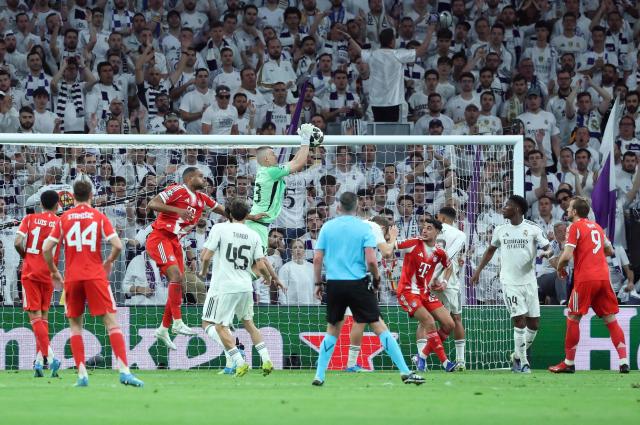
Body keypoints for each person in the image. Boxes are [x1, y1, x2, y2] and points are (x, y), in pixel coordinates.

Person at [312, 192, 423, 386]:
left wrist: (317, 283)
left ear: (338, 207)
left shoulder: (327, 227)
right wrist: (377, 278)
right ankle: (405, 372)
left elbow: (317, 259)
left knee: (332, 329)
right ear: (356, 208)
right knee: (378, 325)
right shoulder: (364, 228)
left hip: (335, 284)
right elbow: (372, 259)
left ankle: (319, 375)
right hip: (358, 283)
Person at [41, 180, 143, 387]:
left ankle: (82, 375)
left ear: (73, 196)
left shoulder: (64, 218)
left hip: (72, 277)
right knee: (111, 323)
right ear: (91, 196)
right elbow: (117, 245)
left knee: (76, 326)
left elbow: (45, 248)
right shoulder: (99, 216)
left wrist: (53, 271)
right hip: (95, 275)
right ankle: (124, 371)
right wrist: (109, 261)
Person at [147, 167, 226, 350]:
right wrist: (178, 211)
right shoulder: (178, 190)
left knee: (178, 282)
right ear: (190, 178)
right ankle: (177, 322)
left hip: (175, 242)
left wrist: (249, 217)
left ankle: (163, 328)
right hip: (160, 237)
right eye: (200, 176)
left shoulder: (201, 199)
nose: (204, 179)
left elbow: (224, 211)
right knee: (175, 277)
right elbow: (152, 203)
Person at [549, 197, 629, 374]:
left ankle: (569, 363)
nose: (567, 211)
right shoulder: (597, 227)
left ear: (575, 212)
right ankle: (623, 361)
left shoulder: (574, 227)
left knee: (573, 317)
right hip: (603, 277)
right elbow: (610, 251)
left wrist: (560, 267)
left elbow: (567, 255)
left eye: (569, 208)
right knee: (610, 319)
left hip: (585, 279)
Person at [471, 195, 551, 373]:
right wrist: (477, 271)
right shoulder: (500, 230)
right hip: (509, 282)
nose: (503, 207)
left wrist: (547, 253)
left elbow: (548, 247)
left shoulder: (532, 229)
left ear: (517, 209)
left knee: (534, 324)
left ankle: (516, 354)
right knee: (519, 320)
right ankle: (523, 362)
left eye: (507, 205)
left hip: (529, 282)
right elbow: (490, 251)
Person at [198, 198, 274, 377]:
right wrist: (268, 278)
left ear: (228, 214)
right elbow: (261, 265)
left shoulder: (220, 228)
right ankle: (266, 359)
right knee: (249, 324)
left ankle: (239, 361)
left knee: (218, 326)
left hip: (225, 286)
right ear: (246, 215)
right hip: (246, 286)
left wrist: (203, 270)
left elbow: (207, 255)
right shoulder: (253, 234)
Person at [245, 123, 315, 281]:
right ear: (265, 159)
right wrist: (305, 140)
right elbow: (299, 164)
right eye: (272, 153)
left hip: (259, 224)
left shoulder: (267, 171)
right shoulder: (271, 171)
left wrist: (302, 142)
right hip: (258, 226)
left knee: (257, 264)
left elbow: (295, 162)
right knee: (256, 268)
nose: (276, 155)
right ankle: (240, 283)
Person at [396, 218, 458, 372]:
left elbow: (449, 267)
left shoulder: (439, 252)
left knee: (449, 324)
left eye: (429, 228)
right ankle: (446, 363)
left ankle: (421, 357)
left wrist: (443, 282)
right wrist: (389, 238)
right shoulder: (413, 243)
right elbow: (392, 246)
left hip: (424, 292)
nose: (424, 230)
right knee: (429, 322)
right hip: (408, 292)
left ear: (437, 232)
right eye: (423, 227)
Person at [14, 190, 62, 378]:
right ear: (57, 205)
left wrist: (26, 256)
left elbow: (17, 242)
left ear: (40, 204)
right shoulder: (60, 223)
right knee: (43, 318)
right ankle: (38, 362)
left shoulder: (29, 219)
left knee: (35, 317)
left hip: (31, 273)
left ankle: (50, 357)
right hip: (49, 274)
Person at [432, 206, 467, 370]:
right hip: (450, 280)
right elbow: (461, 260)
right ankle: (461, 361)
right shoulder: (460, 235)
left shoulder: (432, 229)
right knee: (456, 318)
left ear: (442, 218)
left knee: (426, 321)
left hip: (431, 277)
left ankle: (422, 359)